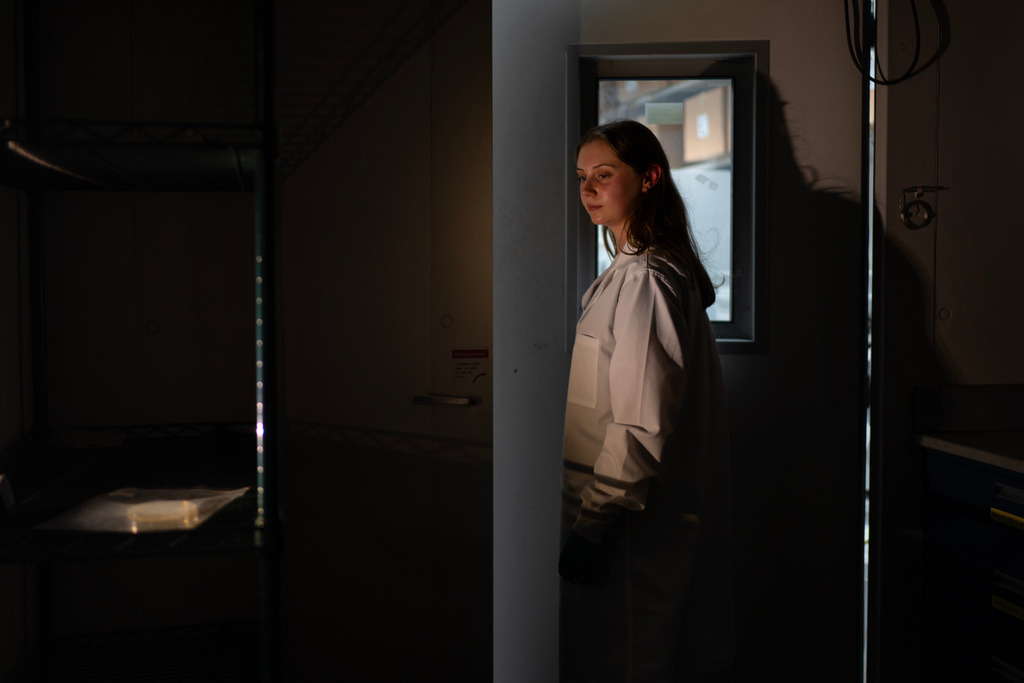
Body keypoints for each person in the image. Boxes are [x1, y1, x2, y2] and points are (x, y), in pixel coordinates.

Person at [559, 120, 734, 682]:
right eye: (583, 177)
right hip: (627, 520)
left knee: (625, 660)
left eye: (603, 176)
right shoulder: (637, 272)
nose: (587, 190)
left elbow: (638, 424)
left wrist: (592, 523)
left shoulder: (645, 280)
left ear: (650, 177)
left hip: (624, 524)